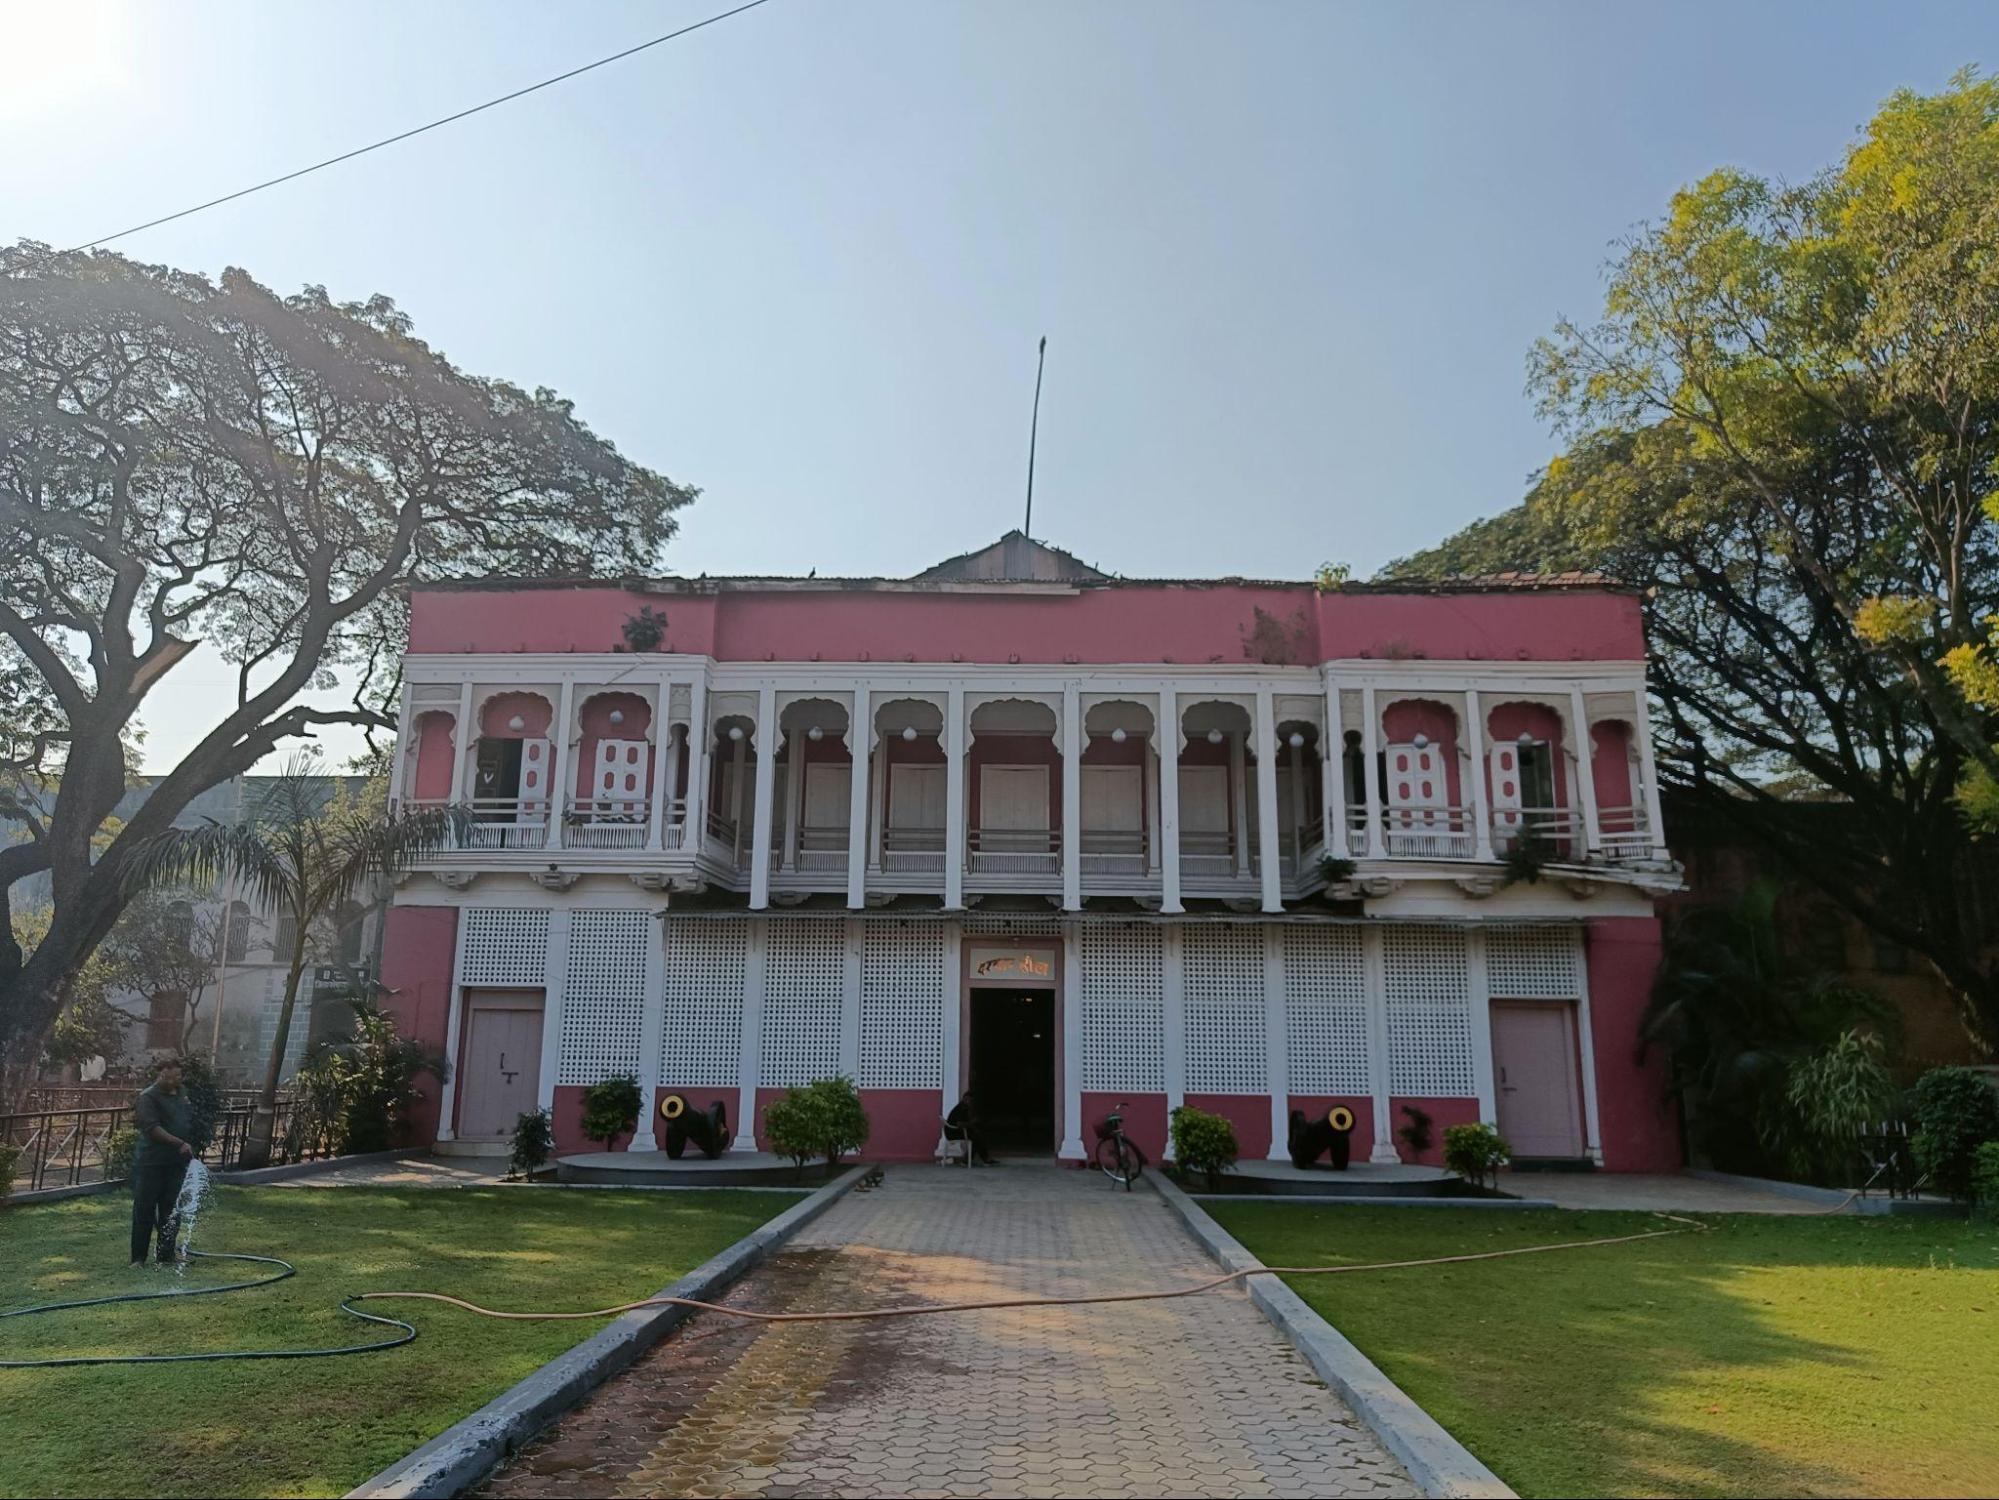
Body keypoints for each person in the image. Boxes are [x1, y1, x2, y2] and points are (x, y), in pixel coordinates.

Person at [131, 1058, 196, 1266]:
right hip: (151, 1162)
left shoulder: (182, 1093)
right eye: (169, 1077)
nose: (174, 1080)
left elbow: (186, 1118)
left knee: (171, 1209)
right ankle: (138, 1258)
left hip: (175, 1162)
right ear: (160, 1075)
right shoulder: (148, 1097)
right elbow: (152, 1128)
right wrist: (179, 1142)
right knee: (145, 1209)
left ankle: (166, 1255)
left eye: (178, 1076)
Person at [944, 1090, 994, 1166]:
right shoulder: (961, 1109)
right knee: (976, 1138)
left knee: (977, 1136)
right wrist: (973, 1122)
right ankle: (982, 1159)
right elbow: (960, 1124)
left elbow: (965, 1122)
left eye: (972, 1101)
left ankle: (971, 1160)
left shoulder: (964, 1107)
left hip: (956, 1131)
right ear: (965, 1099)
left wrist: (973, 1125)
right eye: (970, 1100)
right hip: (953, 1133)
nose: (971, 1103)